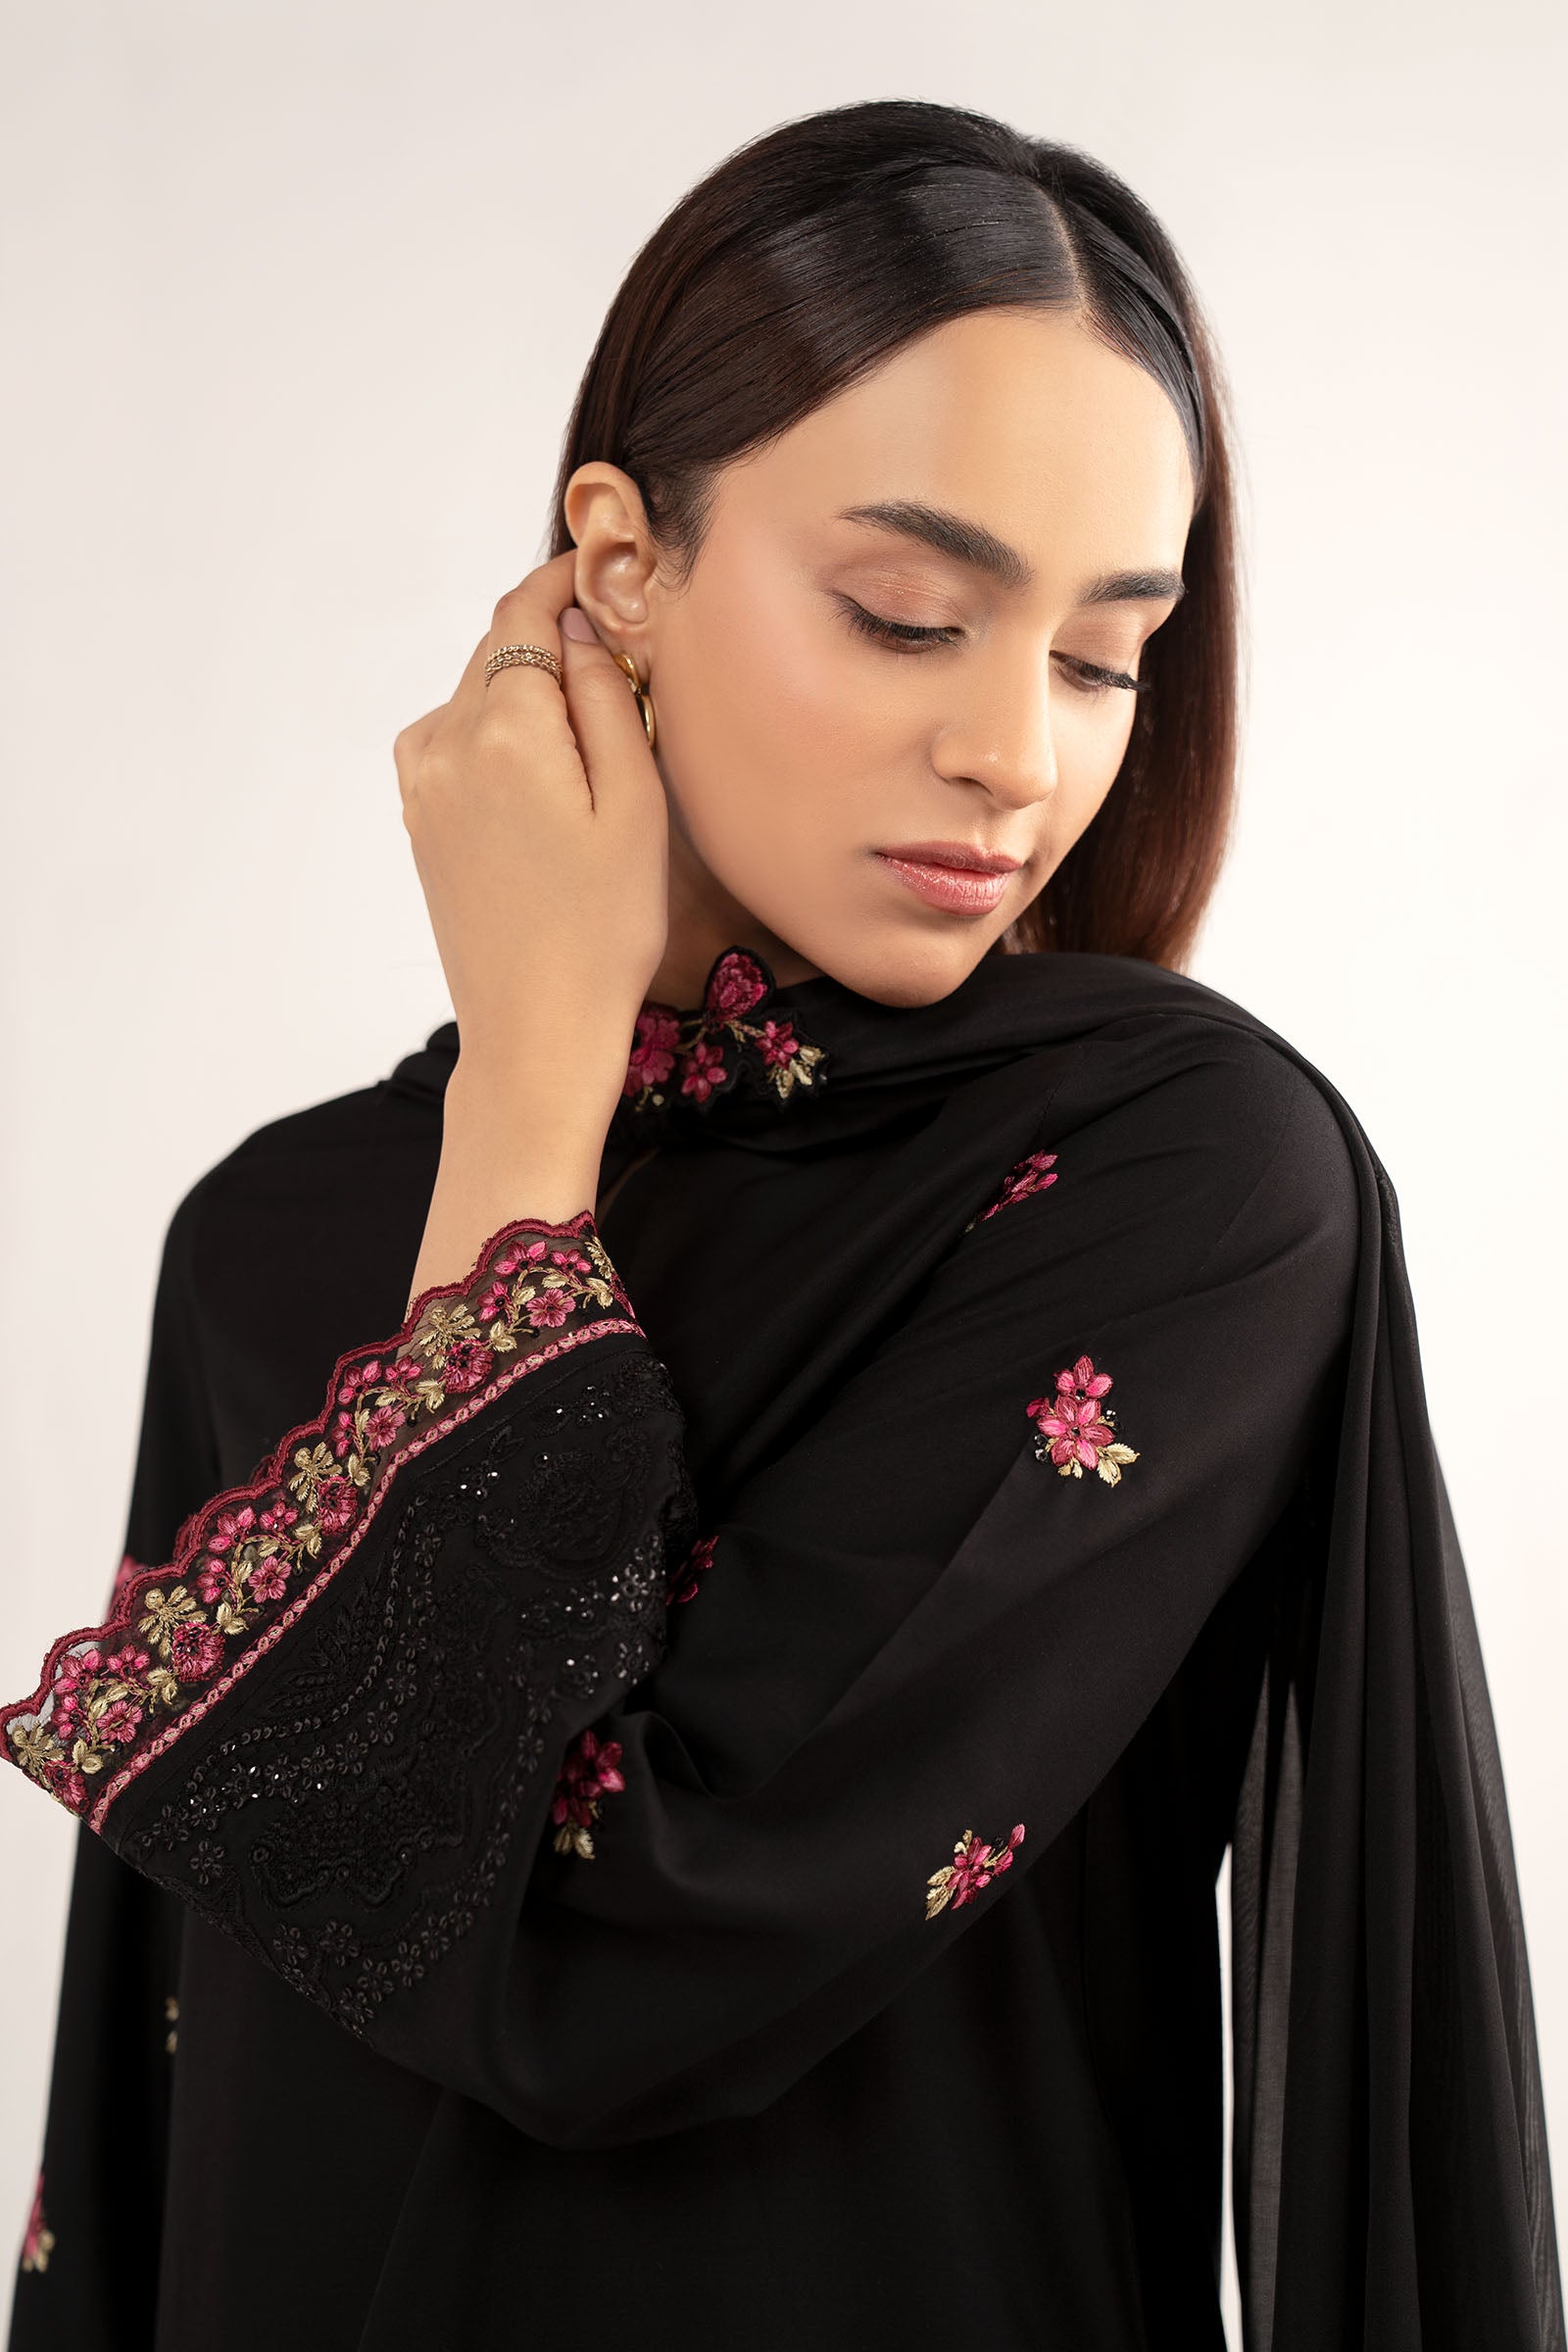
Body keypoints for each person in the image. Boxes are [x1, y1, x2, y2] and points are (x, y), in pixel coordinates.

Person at [4, 96, 1561, 2352]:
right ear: (619, 562)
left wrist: (526, 1090)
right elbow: (153, 2142)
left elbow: (577, 1959)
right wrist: (534, 1093)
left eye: (1100, 656)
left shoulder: (1173, 1191)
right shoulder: (270, 1242)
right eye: (907, 615)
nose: (1014, 753)